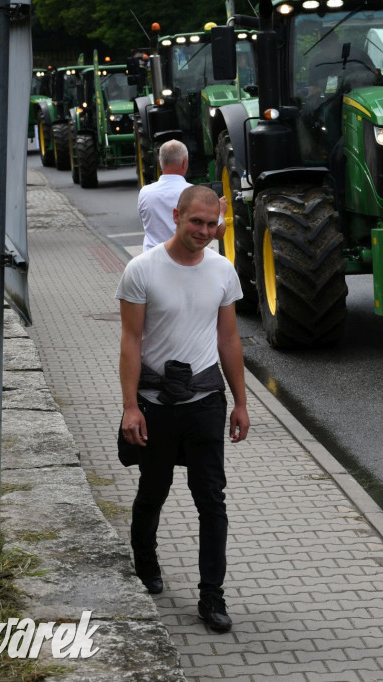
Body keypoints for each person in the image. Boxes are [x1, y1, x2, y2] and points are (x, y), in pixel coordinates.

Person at [117, 184, 249, 633]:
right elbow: (130, 343)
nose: (205, 231)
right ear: (176, 216)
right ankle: (146, 565)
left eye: (213, 225)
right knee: (153, 490)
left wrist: (241, 403)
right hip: (156, 405)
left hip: (206, 403)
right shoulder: (141, 270)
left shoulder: (223, 270)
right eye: (197, 222)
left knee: (211, 499)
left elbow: (229, 340)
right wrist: (129, 407)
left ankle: (212, 595)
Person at [137, 140, 226, 251]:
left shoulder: (145, 193)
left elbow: (146, 225)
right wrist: (221, 211)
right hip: (185, 260)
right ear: (185, 163)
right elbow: (219, 233)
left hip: (151, 260)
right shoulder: (196, 193)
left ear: (160, 162)